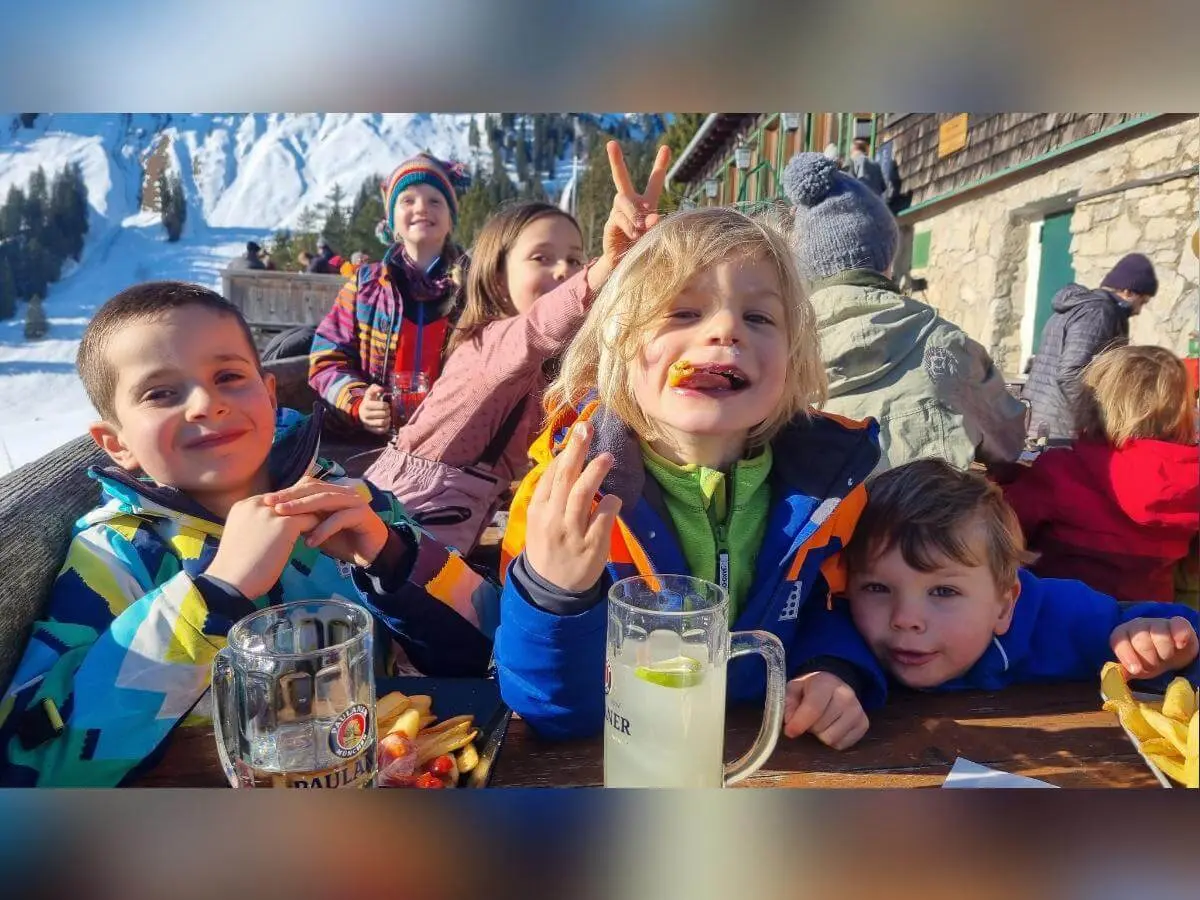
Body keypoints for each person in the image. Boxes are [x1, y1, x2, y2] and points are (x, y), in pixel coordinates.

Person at [0, 282, 498, 787]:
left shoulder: (346, 500)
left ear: (268, 392)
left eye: (228, 376)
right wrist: (215, 593)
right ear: (117, 443)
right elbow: (35, 766)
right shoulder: (118, 557)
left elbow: (492, 647)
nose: (206, 404)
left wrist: (391, 559)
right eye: (161, 393)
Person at [493, 206, 889, 749]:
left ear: (794, 360)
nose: (726, 329)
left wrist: (833, 668)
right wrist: (553, 594)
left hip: (773, 759)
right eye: (682, 313)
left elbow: (833, 607)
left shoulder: (830, 490)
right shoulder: (565, 496)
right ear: (619, 344)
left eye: (759, 318)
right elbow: (554, 713)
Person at [365, 144, 669, 555]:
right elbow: (538, 327)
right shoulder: (490, 342)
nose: (563, 269)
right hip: (406, 510)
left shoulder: (545, 363)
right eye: (541, 257)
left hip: (453, 520)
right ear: (496, 274)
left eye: (575, 259)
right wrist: (604, 266)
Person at [840, 458, 1199, 694]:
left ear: (1004, 605)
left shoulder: (1062, 619)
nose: (905, 619)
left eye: (943, 591)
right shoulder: (841, 630)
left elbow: (1152, 631)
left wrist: (1169, 647)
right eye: (877, 587)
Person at [782, 151, 1026, 472]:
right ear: (887, 259)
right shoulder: (947, 344)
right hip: (918, 519)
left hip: (819, 522)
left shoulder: (778, 347)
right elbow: (1008, 444)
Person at [1001, 345, 1198, 603]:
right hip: (1150, 621)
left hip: (1061, 614)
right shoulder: (1188, 481)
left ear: (1094, 403)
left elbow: (1004, 528)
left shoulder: (1061, 471)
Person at [308, 154, 469, 436]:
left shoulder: (474, 288)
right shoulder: (365, 286)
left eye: (435, 200)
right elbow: (325, 357)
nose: (422, 208)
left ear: (450, 220)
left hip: (450, 442)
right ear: (391, 222)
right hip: (373, 445)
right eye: (408, 200)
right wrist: (358, 402)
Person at [1023, 252, 1157, 444]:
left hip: (1046, 420)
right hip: (1060, 428)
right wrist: (1095, 421)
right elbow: (1072, 372)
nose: (1138, 310)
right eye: (1142, 302)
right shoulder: (1098, 313)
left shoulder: (1083, 308)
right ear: (1128, 292)